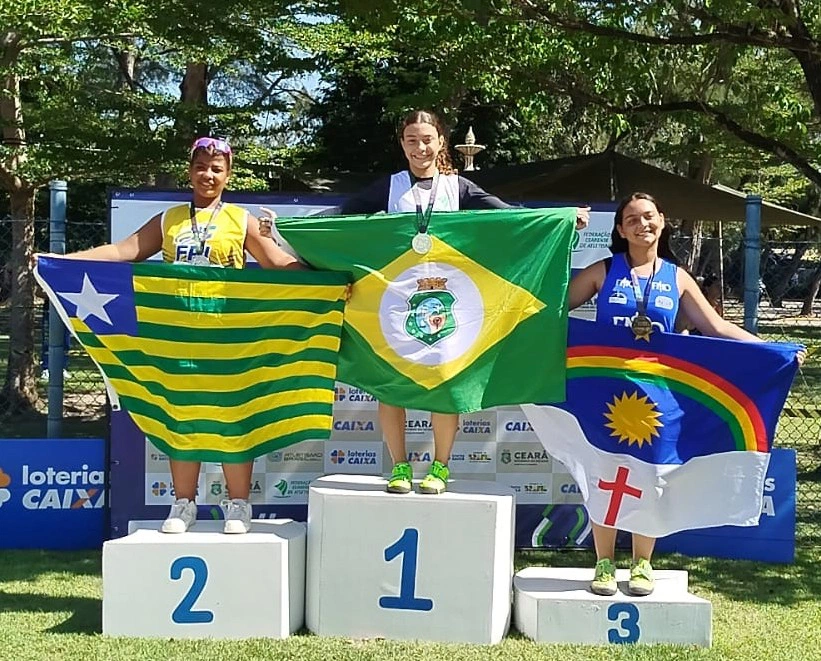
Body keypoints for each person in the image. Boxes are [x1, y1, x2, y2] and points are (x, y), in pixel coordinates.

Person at [341, 109, 590, 496]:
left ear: (441, 141)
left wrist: (559, 219)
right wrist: (285, 233)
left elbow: (511, 219)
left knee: (446, 381)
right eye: (412, 140)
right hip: (397, 303)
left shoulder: (458, 188)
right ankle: (399, 467)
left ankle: (441, 466)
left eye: (428, 139)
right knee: (389, 385)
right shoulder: (386, 188)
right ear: (401, 144)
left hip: (446, 302)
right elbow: (337, 219)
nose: (420, 147)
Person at [568, 191, 804, 597]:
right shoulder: (603, 271)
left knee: (652, 475)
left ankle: (642, 563)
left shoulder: (676, 278)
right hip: (605, 393)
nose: (642, 224)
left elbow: (715, 329)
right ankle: (603, 563)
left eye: (648, 216)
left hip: (660, 396)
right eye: (632, 219)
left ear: (662, 220)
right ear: (621, 230)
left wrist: (772, 351)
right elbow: (554, 311)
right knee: (603, 473)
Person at [63, 137, 302, 534]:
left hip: (229, 338)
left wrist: (327, 279)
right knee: (182, 418)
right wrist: (66, 260)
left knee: (232, 418)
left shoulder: (240, 220)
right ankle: (183, 504)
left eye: (217, 169)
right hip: (177, 339)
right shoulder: (169, 219)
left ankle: (239, 506)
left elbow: (277, 262)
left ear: (228, 175)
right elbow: (124, 251)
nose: (208, 175)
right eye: (201, 167)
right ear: (190, 171)